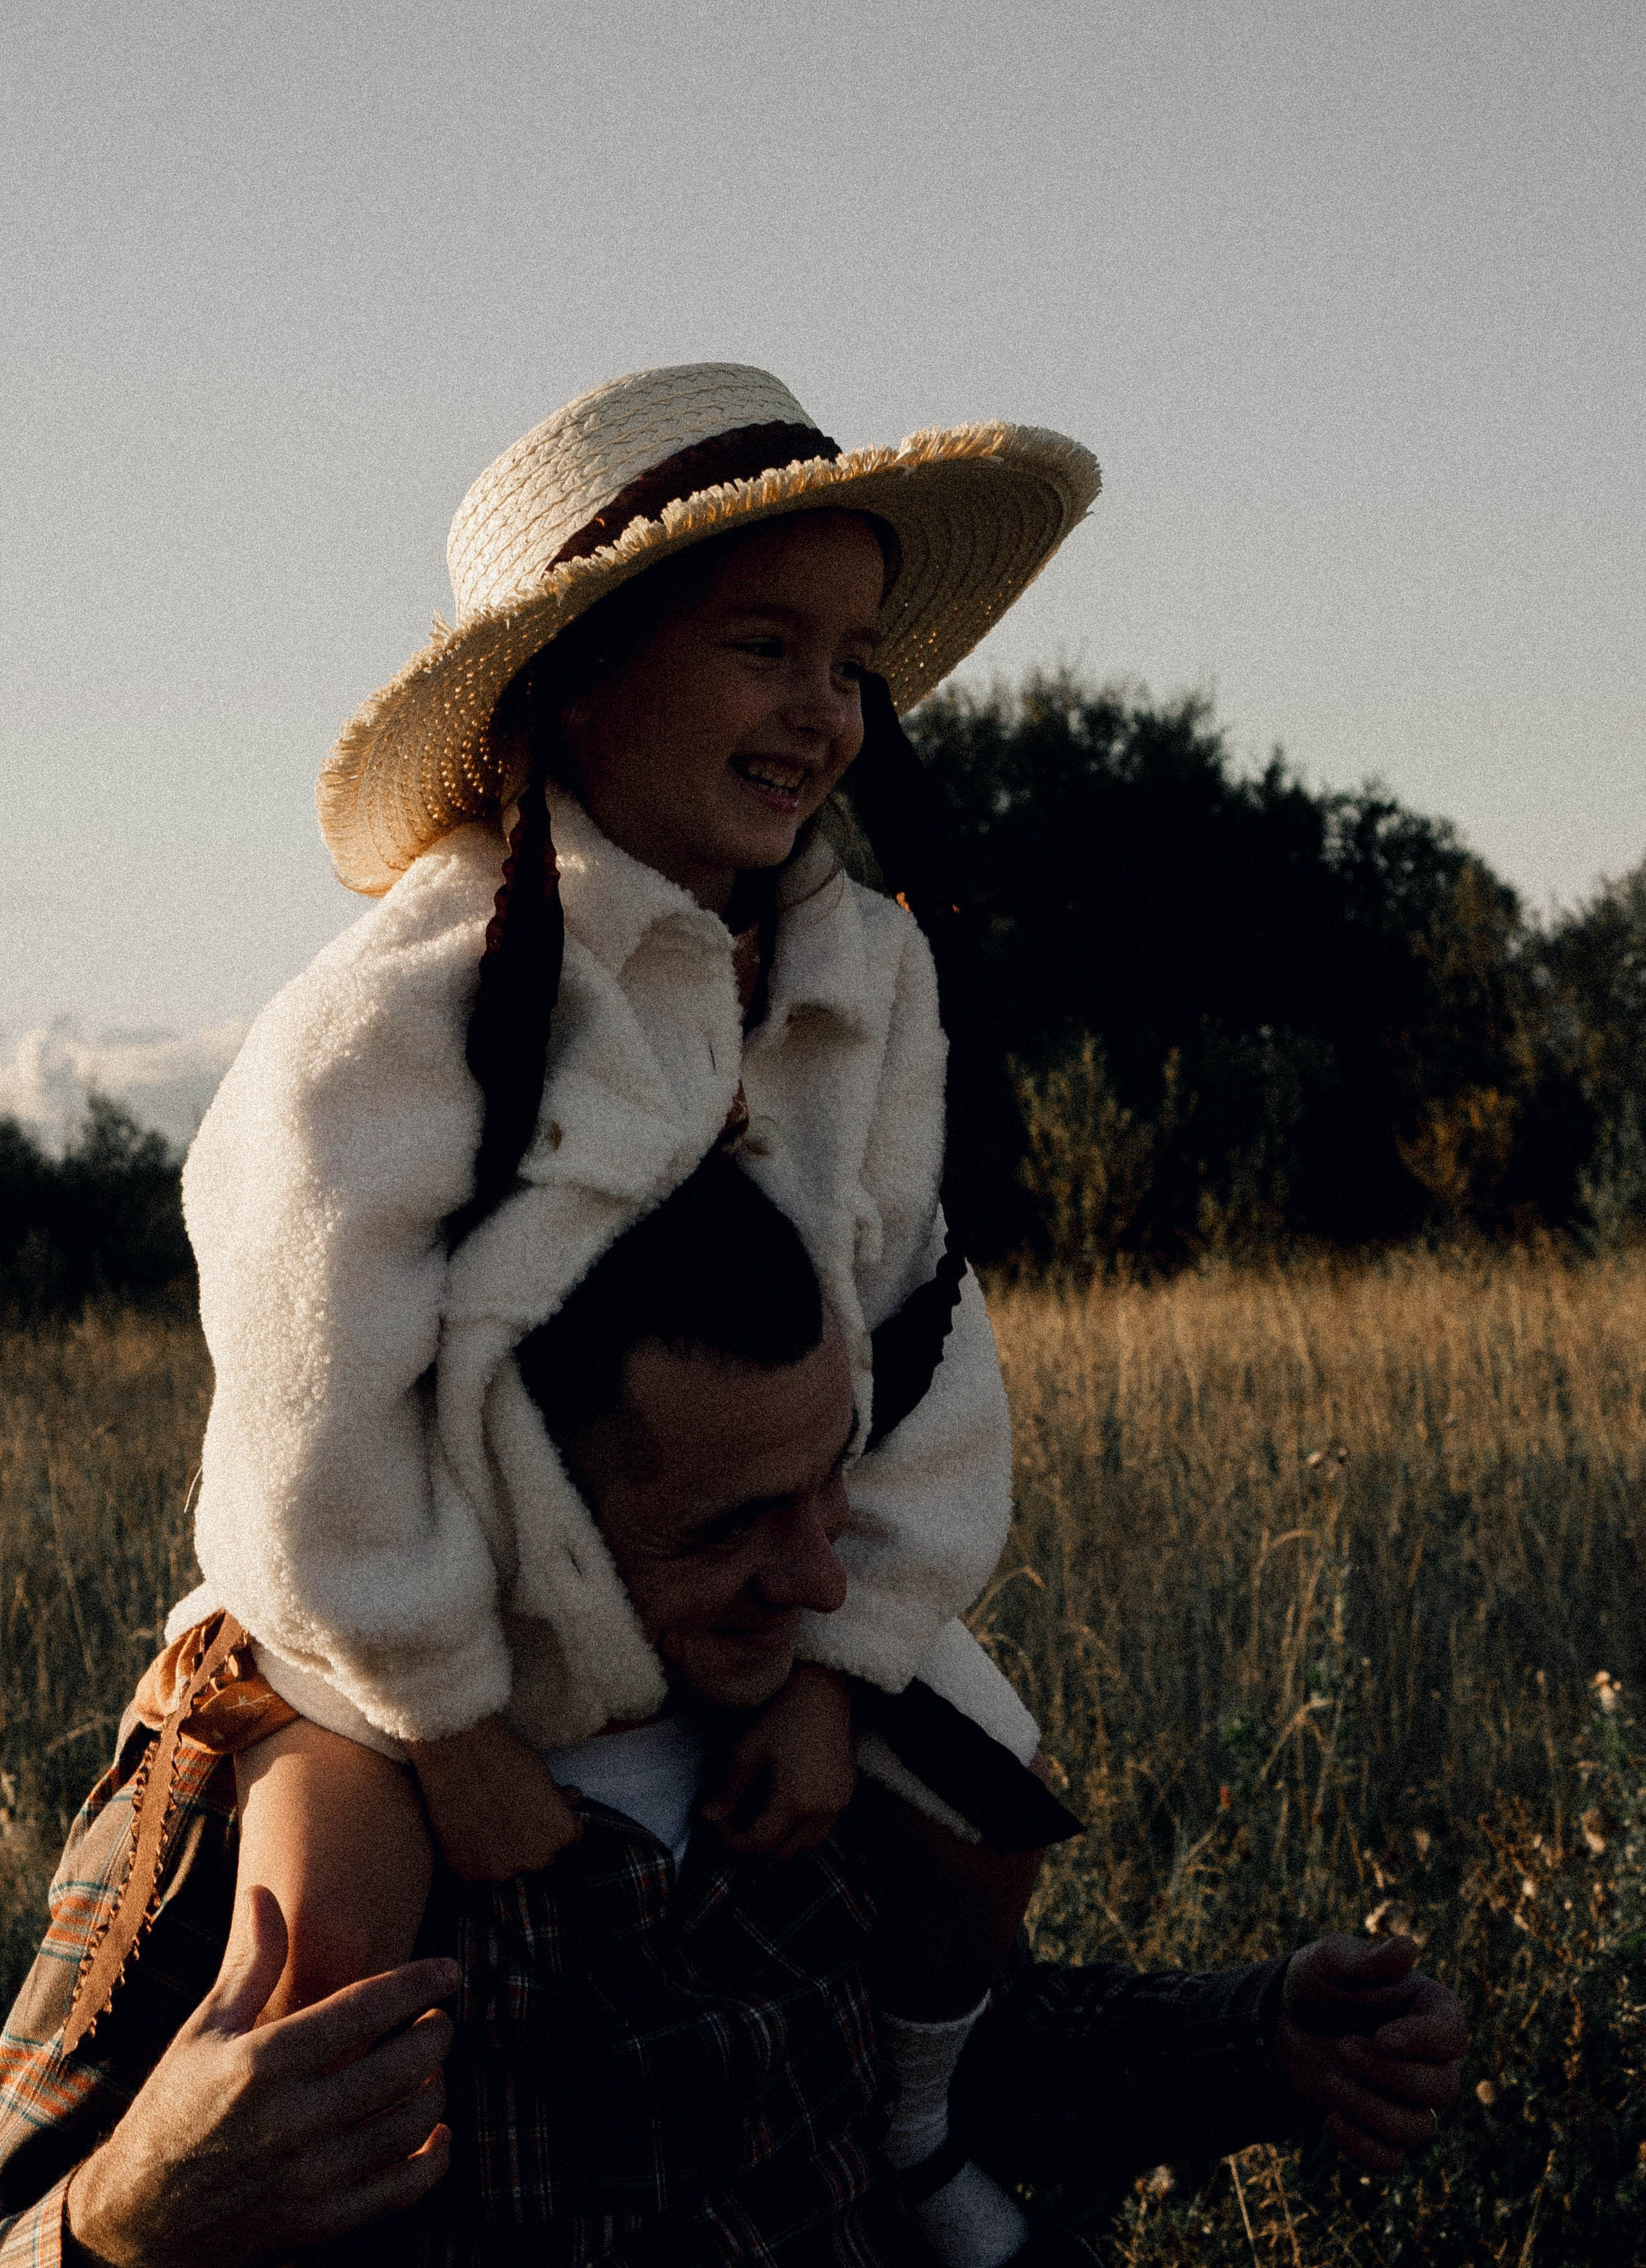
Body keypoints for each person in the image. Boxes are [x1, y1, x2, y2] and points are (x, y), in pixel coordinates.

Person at [86, 363, 1105, 2267]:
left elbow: (911, 1314)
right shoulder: (401, 1006)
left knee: (985, 1823)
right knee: (319, 1961)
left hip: (733, 1589)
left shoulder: (863, 971)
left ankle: (911, 2123)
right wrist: (448, 1717)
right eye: (761, 646)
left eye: (852, 660)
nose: (824, 710)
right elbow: (311, 1399)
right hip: (388, 1629)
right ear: (569, 685)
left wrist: (839, 1663)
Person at [0, 1160, 1469, 2266]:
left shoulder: (799, 1708)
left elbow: (907, 2066)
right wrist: (124, 2220)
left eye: (829, 1482)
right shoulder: (271, 1781)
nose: (822, 1577)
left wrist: (1258, 2041)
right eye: (727, 1530)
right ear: (521, 1513)